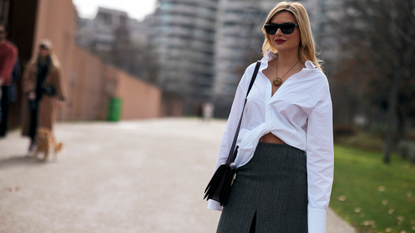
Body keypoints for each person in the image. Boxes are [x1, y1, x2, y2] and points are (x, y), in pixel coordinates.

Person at [208, 2, 333, 233]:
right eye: (271, 27)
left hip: (290, 177)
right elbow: (233, 128)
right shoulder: (253, 72)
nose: (278, 33)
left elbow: (321, 152)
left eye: (286, 27)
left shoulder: (315, 81)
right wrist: (217, 193)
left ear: (302, 30)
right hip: (247, 170)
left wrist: (317, 218)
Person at [21, 39, 66, 152]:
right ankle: (33, 142)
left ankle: (44, 146)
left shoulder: (55, 66)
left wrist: (60, 98)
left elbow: (58, 82)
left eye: (45, 49)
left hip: (47, 99)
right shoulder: (33, 64)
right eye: (41, 48)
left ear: (49, 50)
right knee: (33, 121)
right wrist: (30, 91)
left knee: (45, 124)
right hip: (34, 97)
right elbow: (27, 79)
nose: (43, 51)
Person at [0, 23, 18, 135]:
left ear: (5, 34)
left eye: (0, 31)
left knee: (4, 106)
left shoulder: (10, 49)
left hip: (4, 83)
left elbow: (8, 66)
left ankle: (2, 129)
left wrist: (1, 79)